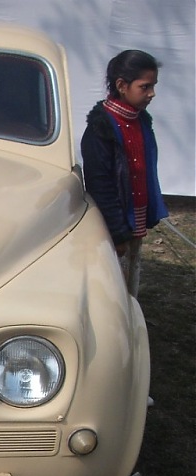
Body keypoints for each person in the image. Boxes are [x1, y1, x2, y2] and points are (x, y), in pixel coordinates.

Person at [80, 49, 168, 298]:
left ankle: (130, 315)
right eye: (145, 86)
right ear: (121, 85)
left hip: (133, 220)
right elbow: (101, 186)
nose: (152, 94)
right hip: (112, 226)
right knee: (109, 286)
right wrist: (117, 234)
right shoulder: (101, 129)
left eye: (153, 86)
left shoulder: (141, 121)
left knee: (130, 280)